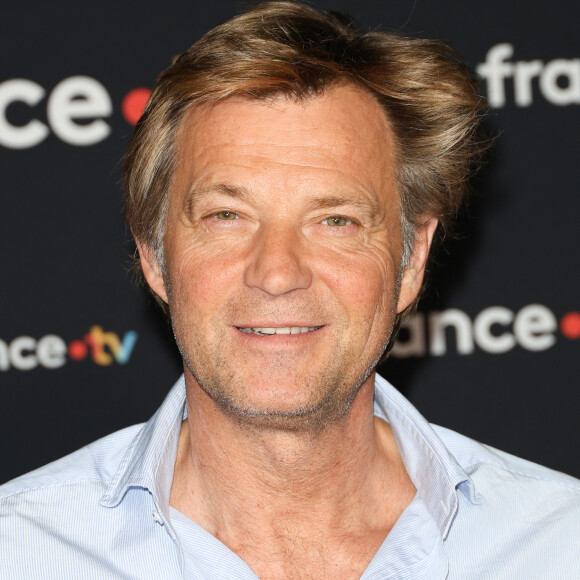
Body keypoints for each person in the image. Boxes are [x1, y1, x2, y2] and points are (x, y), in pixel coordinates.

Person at [1, 2, 579, 578]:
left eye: (335, 221)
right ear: (154, 256)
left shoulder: (557, 539)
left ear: (411, 260)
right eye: (227, 215)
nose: (277, 273)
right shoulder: (21, 549)